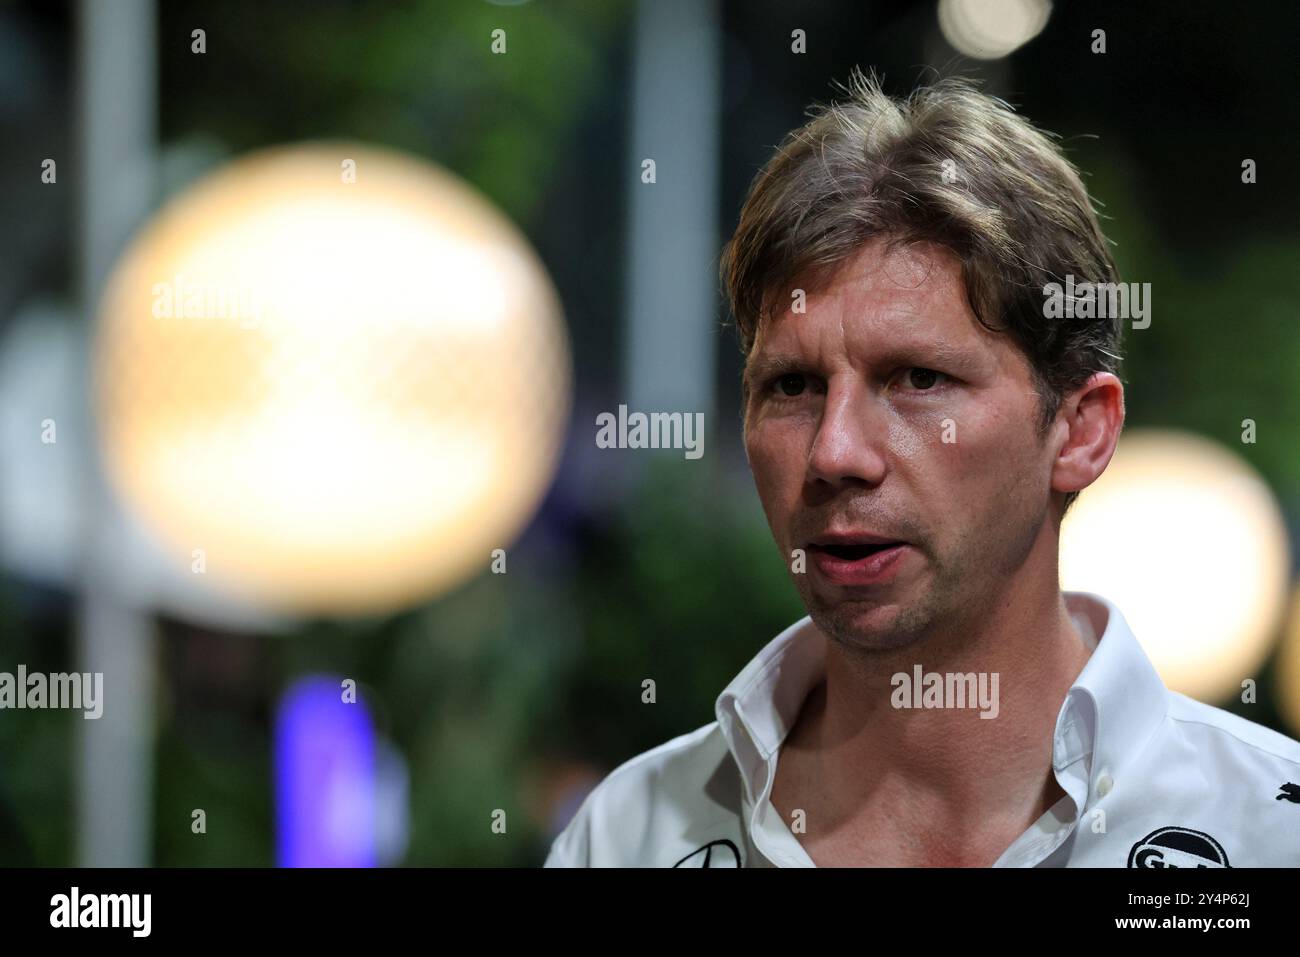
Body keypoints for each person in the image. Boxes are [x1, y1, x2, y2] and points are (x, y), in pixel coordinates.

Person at [545, 68, 1300, 867]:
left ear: (1080, 432)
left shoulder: (1269, 828)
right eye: (792, 386)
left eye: (918, 379)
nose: (834, 452)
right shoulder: (627, 836)